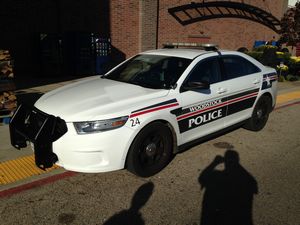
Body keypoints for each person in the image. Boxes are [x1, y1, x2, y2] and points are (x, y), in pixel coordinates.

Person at [199, 150, 258, 225]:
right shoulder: (249, 179)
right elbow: (254, 190)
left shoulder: (217, 175)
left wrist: (214, 163)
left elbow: (202, 178)